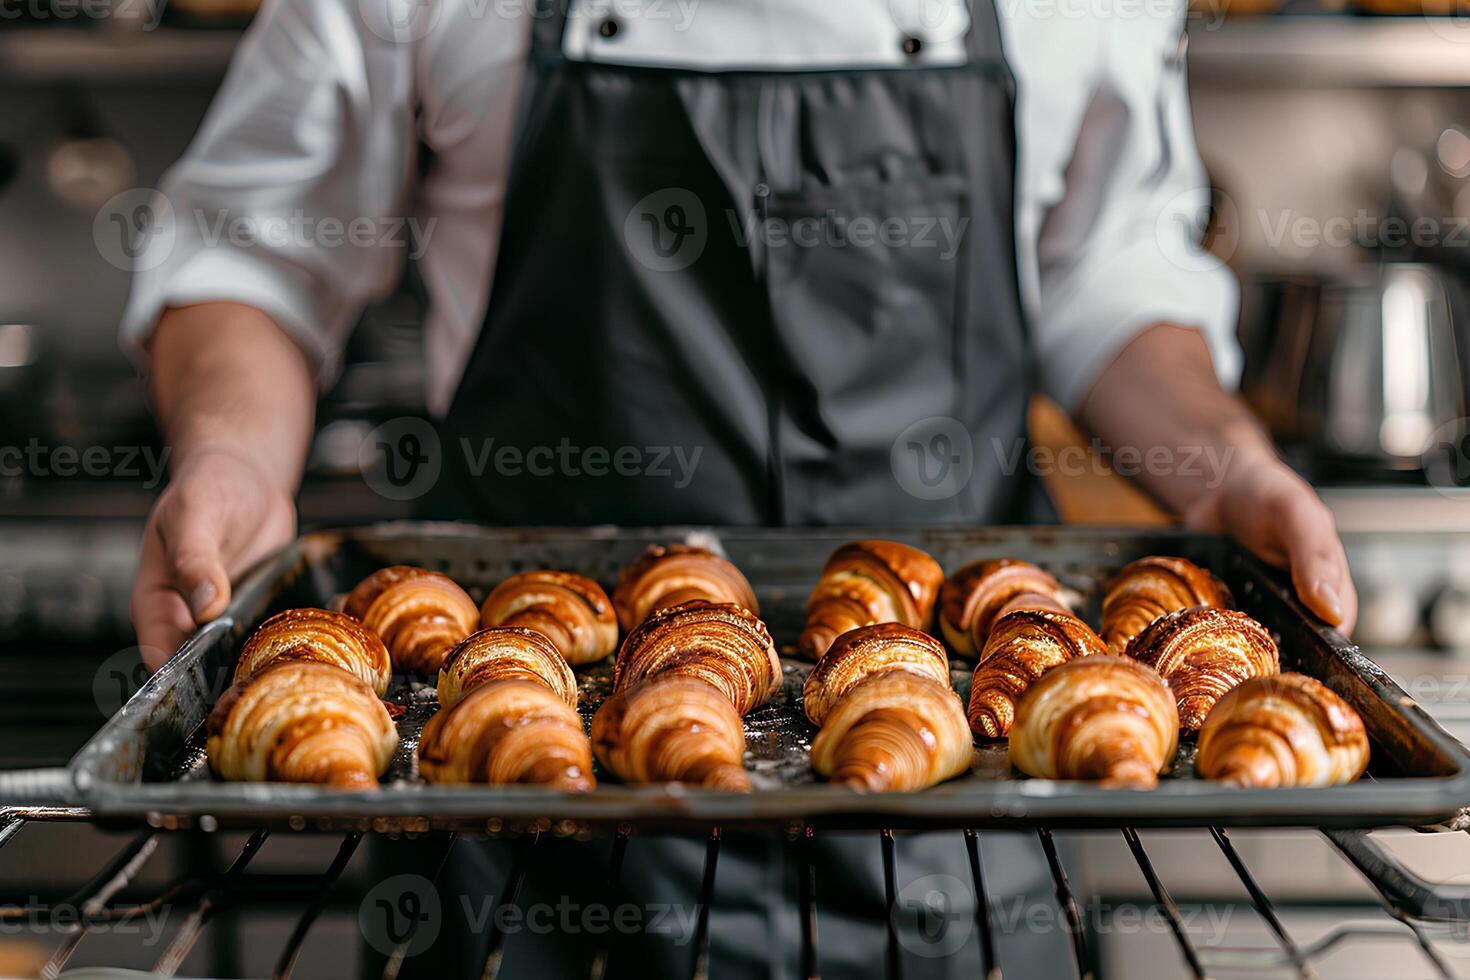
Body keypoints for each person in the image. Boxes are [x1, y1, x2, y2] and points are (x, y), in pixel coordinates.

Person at [121, 0, 1357, 975]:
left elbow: (1107, 280)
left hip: (970, 762)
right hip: (531, 797)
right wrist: (230, 455)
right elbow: (257, 248)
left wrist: (1227, 463)